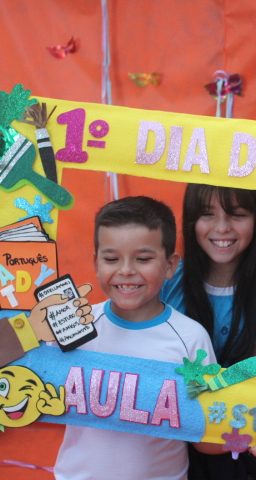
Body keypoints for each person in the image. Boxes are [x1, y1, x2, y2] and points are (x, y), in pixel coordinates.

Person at [54, 196, 218, 480]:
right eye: (111, 259)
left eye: (143, 259)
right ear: (96, 262)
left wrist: (254, 438)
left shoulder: (191, 338)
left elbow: (205, 434)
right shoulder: (74, 325)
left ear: (170, 265)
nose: (126, 270)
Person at [161, 185, 256, 479]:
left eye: (237, 214)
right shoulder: (166, 279)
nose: (222, 228)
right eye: (207, 214)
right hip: (163, 437)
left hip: (226, 442)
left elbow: (251, 385)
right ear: (190, 220)